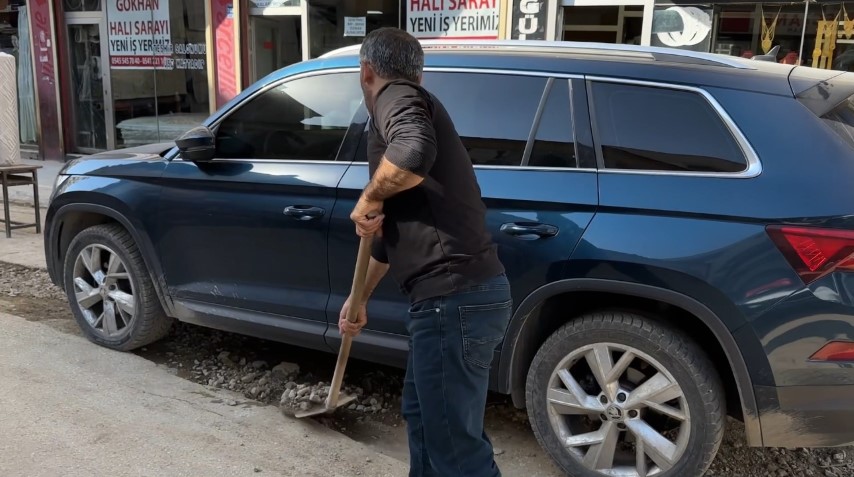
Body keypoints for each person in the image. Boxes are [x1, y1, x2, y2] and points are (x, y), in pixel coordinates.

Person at [337, 27, 512, 477]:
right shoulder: (412, 100)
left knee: (455, 448)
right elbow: (387, 239)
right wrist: (358, 300)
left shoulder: (395, 95)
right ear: (421, 70)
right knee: (426, 421)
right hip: (454, 301)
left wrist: (368, 197)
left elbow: (413, 151)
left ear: (367, 71)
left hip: (454, 301)